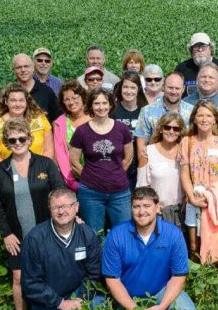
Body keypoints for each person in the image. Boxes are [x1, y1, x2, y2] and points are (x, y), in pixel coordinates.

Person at [0, 117, 66, 310]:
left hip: (47, 232)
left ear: (30, 139)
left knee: (51, 273)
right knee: (18, 277)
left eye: (22, 138)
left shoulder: (45, 164)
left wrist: (70, 220)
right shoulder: (0, 170)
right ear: (6, 143)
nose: (17, 143)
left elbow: (59, 193)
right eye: (12, 140)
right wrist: (6, 233)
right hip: (17, 235)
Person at [19, 188, 104, 310]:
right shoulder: (35, 239)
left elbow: (94, 274)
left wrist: (80, 301)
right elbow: (31, 283)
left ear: (76, 207)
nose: (61, 211)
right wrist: (61, 303)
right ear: (50, 210)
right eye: (56, 207)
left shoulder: (87, 234)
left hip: (78, 294)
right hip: (49, 300)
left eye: (66, 206)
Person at [102, 187, 197, 310]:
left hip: (160, 292)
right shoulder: (116, 235)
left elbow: (179, 276)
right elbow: (112, 280)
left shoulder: (173, 234)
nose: (141, 212)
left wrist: (161, 308)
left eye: (147, 206)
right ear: (131, 209)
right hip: (128, 295)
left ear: (158, 208)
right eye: (136, 207)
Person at [179, 101, 218, 262]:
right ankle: (197, 281)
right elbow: (185, 174)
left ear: (215, 119)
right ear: (194, 119)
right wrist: (192, 198)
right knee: (194, 245)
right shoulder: (187, 141)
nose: (204, 119)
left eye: (209, 115)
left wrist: (210, 195)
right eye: (200, 115)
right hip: (195, 197)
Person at [69, 87, 133, 233]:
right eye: (97, 103)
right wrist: (90, 177)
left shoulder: (122, 129)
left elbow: (128, 157)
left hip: (120, 192)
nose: (101, 107)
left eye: (104, 103)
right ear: (91, 105)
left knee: (124, 233)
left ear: (110, 105)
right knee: (94, 234)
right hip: (91, 193)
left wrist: (115, 174)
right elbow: (74, 161)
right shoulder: (82, 131)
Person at [0, 83, 53, 166]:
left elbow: (49, 150)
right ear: (6, 101)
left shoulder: (40, 119)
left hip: (40, 171)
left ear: (26, 101)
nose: (17, 104)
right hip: (8, 173)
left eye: (21, 100)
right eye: (13, 100)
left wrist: (40, 169)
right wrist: (7, 174)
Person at [137, 113, 186, 227]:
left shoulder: (185, 152)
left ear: (180, 132)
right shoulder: (148, 152)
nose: (171, 131)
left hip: (182, 212)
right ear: (160, 129)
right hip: (157, 213)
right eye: (167, 127)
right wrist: (152, 205)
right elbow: (141, 185)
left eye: (176, 128)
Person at [134, 71, 194, 156]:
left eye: (177, 88)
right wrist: (143, 168)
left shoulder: (192, 112)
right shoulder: (147, 111)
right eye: (170, 87)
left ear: (183, 89)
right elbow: (141, 145)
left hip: (183, 162)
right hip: (155, 164)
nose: (173, 91)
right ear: (163, 87)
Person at [174, 32, 218, 96]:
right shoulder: (182, 69)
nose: (200, 50)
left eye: (203, 46)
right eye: (196, 47)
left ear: (211, 49)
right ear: (191, 51)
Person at [51, 79, 89, 191]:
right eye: (66, 99)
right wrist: (72, 183)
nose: (71, 102)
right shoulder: (60, 122)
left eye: (74, 97)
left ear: (82, 97)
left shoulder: (94, 117)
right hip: (72, 181)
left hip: (98, 178)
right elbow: (60, 154)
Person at [113, 71, 149, 188]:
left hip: (139, 164)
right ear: (121, 88)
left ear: (138, 89)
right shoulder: (113, 110)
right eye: (126, 87)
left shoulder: (145, 111)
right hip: (118, 164)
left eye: (133, 87)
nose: (129, 91)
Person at [12, 53, 61, 122]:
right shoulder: (8, 93)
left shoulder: (47, 92)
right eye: (19, 67)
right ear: (13, 70)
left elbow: (56, 120)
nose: (23, 70)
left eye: (26, 66)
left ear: (33, 67)